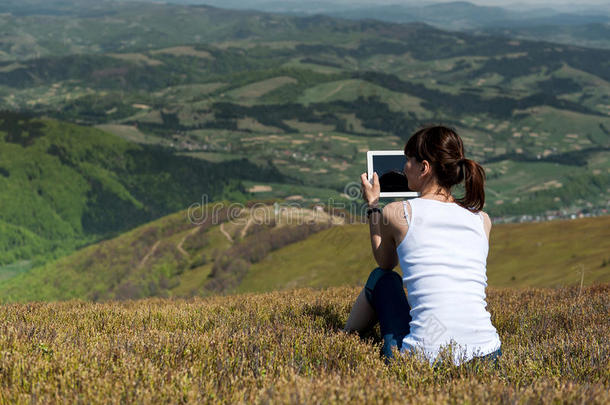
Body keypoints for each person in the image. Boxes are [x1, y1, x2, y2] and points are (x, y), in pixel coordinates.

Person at [344, 125, 502, 366]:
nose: (403, 167)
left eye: (408, 160)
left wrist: (373, 206)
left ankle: (344, 339)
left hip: (422, 360)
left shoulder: (398, 213)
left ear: (424, 167)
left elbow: (385, 262)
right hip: (489, 355)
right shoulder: (482, 219)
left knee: (382, 279)